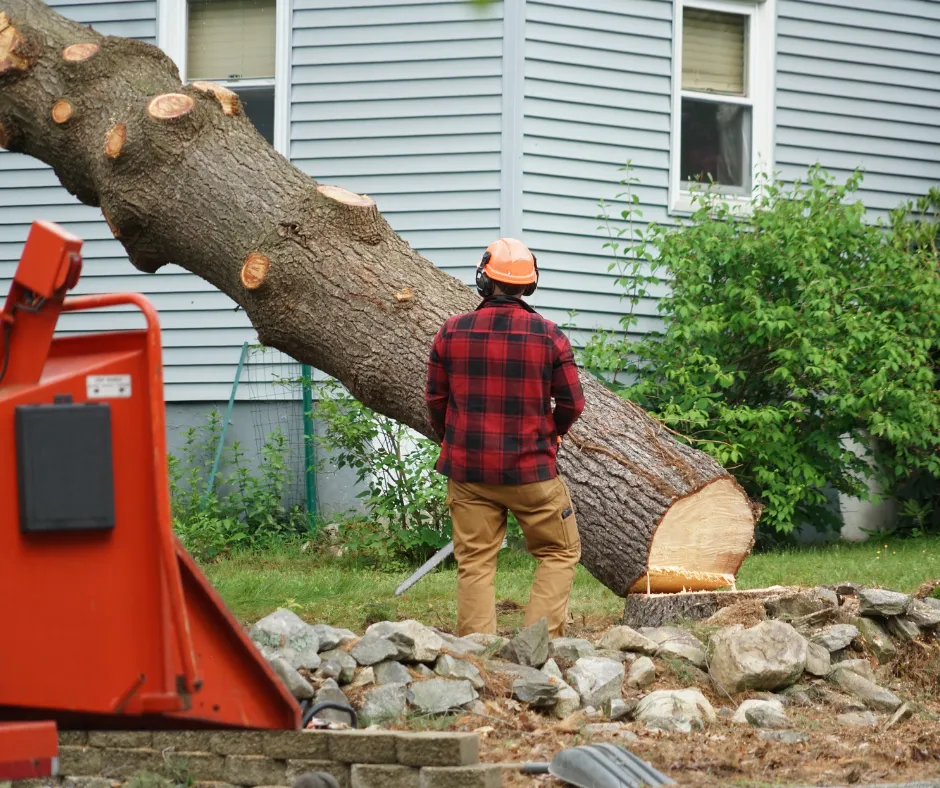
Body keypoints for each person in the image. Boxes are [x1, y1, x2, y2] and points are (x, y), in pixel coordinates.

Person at [425, 237, 586, 638]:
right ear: (529, 284)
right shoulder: (550, 336)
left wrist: (451, 440)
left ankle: (476, 654)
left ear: (484, 279)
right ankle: (537, 646)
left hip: (468, 472)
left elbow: (436, 400)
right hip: (531, 472)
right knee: (560, 551)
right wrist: (553, 433)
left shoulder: (451, 332)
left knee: (475, 562)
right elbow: (572, 403)